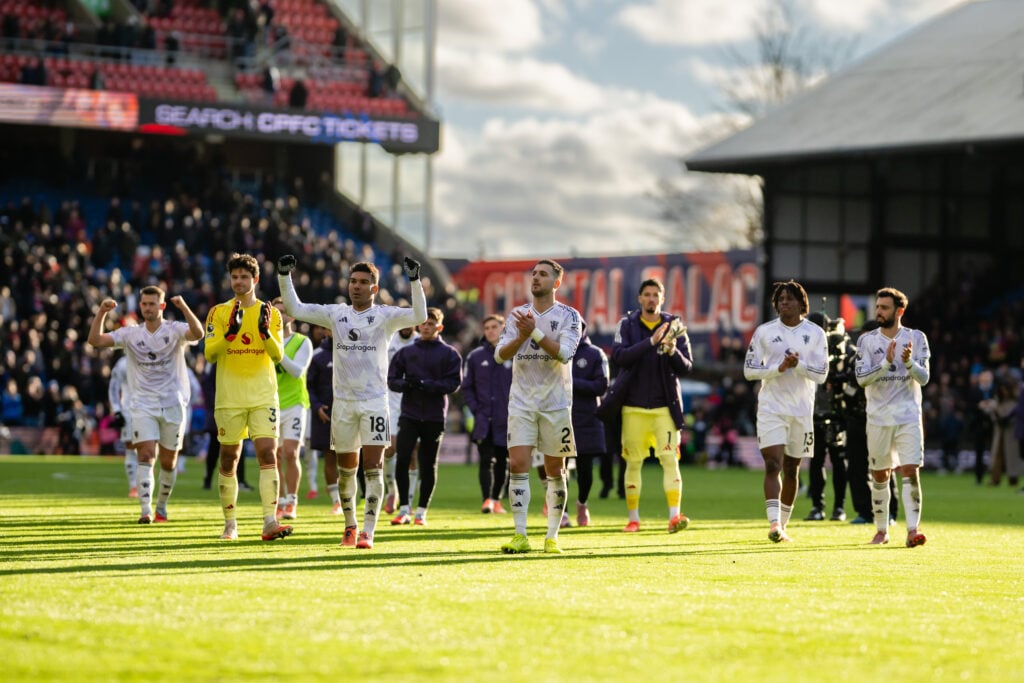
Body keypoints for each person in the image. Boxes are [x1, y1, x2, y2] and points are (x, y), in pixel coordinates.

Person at [278, 254, 426, 550]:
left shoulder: (385, 316)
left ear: (374, 287)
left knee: (373, 466)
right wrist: (284, 276)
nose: (356, 287)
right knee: (347, 468)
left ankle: (368, 531)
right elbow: (294, 308)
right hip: (343, 404)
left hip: (374, 402)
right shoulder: (336, 313)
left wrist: (414, 281)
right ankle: (350, 525)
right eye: (353, 281)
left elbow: (420, 316)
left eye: (363, 283)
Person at [87, 286, 204, 524]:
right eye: (144, 304)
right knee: (146, 454)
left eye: (152, 304)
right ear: (140, 306)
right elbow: (95, 340)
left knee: (168, 462)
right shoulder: (131, 334)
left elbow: (198, 333)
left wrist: (183, 307)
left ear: (162, 306)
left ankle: (161, 505)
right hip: (142, 405)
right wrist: (101, 312)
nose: (147, 308)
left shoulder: (174, 330)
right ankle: (145, 510)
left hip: (173, 402)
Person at [495, 259, 582, 555]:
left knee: (554, 470)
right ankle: (520, 534)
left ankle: (552, 536)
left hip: (556, 404)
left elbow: (566, 354)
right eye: (533, 273)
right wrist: (522, 334)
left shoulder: (569, 316)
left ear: (557, 282)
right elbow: (499, 355)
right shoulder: (517, 315)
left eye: (543, 274)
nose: (536, 278)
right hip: (521, 401)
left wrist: (534, 333)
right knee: (518, 465)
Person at [204, 253, 292, 542]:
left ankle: (269, 520)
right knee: (229, 458)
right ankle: (230, 523)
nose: (239, 281)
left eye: (244, 277)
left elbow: (278, 355)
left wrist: (265, 332)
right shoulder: (218, 312)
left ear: (255, 280)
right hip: (230, 397)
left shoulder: (272, 313)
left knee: (268, 453)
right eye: (235, 277)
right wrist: (230, 334)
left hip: (263, 395)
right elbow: (209, 353)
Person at [743, 279, 828, 543]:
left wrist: (798, 365)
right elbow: (749, 371)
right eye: (780, 299)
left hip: (801, 411)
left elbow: (822, 374)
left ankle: (783, 526)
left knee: (792, 470)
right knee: (772, 464)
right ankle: (774, 524)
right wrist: (777, 369)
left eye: (789, 298)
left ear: (802, 303)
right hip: (771, 408)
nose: (784, 303)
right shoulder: (764, 332)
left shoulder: (815, 334)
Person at [609, 279, 694, 534]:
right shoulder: (626, 324)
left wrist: (671, 351)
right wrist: (650, 343)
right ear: (639, 298)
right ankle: (633, 519)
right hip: (633, 407)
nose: (651, 299)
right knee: (633, 463)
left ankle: (674, 517)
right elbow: (619, 356)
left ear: (662, 298)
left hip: (664, 408)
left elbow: (687, 367)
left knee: (670, 460)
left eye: (655, 295)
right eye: (646, 294)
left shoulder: (676, 327)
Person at [855, 286, 931, 547]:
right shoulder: (867, 341)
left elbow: (924, 377)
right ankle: (881, 531)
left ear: (899, 311)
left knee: (910, 470)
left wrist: (909, 363)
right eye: (877, 306)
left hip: (908, 415)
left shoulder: (917, 338)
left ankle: (913, 530)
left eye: (884, 307)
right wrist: (886, 364)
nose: (878, 311)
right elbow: (862, 379)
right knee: (879, 474)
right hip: (878, 417)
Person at [387, 307, 463, 526]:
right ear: (418, 326)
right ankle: (403, 509)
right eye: (424, 324)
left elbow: (453, 384)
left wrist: (425, 384)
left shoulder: (449, 353)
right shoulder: (406, 353)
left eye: (431, 324)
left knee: (428, 464)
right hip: (409, 414)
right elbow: (392, 380)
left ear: (439, 327)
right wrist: (407, 384)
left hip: (434, 416)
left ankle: (421, 511)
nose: (427, 327)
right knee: (402, 459)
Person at [461, 314, 513, 514]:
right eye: (487, 328)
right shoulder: (475, 356)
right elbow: (467, 387)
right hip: (483, 419)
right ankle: (486, 500)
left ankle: (497, 499)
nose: (491, 331)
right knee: (485, 459)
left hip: (506, 419)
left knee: (503, 460)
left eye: (494, 326)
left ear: (503, 328)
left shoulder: (513, 354)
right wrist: (476, 409)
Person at [804, 312, 849, 522]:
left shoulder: (839, 350)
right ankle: (817, 506)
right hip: (812, 416)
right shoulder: (804, 350)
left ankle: (838, 507)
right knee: (816, 464)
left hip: (835, 414)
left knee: (838, 463)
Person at [272, 296, 313, 520]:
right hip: (271, 404)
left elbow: (297, 371)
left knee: (290, 452)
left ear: (292, 315)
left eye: (284, 311)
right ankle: (279, 500)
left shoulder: (302, 341)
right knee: (274, 455)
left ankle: (292, 500)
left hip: (295, 404)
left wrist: (278, 353)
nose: (281, 315)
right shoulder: (266, 340)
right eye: (276, 312)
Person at [570, 320, 609, 527]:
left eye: (576, 327)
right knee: (559, 468)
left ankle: (582, 502)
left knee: (585, 470)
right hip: (559, 417)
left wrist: (571, 382)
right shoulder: (553, 352)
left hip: (586, 418)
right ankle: (562, 512)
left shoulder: (596, 354)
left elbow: (602, 386)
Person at [306, 324, 341, 513]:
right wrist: (317, 406)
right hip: (325, 414)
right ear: (327, 332)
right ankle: (336, 500)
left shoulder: (354, 351)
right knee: (329, 456)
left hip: (349, 413)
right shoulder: (318, 356)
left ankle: (348, 496)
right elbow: (308, 385)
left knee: (349, 456)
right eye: (330, 328)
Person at [383, 325, 417, 514]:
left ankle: (409, 501)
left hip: (413, 403)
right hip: (390, 400)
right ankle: (392, 491)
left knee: (412, 453)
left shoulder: (420, 340)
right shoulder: (389, 340)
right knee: (389, 449)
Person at [108, 353, 139, 498]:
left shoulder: (153, 355)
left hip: (153, 410)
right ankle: (134, 486)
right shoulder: (123, 363)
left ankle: (145, 483)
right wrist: (117, 410)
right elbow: (113, 387)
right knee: (131, 448)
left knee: (150, 450)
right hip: (129, 411)